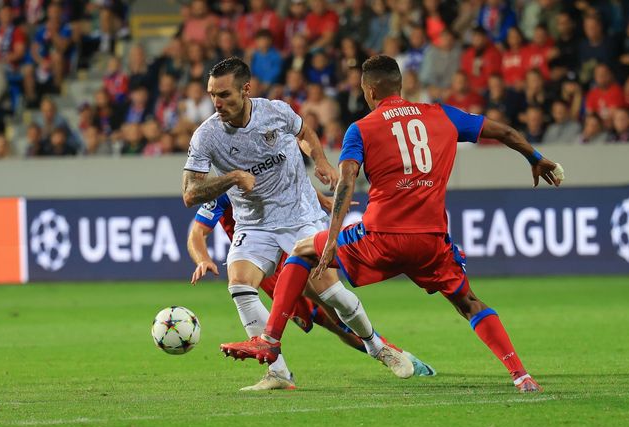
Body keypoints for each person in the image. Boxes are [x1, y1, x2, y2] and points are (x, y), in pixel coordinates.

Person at [220, 55, 566, 393]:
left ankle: (269, 341)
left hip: (380, 238)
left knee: (301, 251)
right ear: (399, 85)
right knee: (470, 303)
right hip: (431, 241)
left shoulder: (362, 129)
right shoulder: (441, 115)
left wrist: (332, 238)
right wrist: (535, 158)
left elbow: (346, 182)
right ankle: (521, 375)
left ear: (369, 91)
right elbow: (502, 130)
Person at [182, 57, 417, 390]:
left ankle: (377, 347)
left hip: (300, 216)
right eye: (212, 95)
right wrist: (232, 178)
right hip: (256, 222)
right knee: (239, 284)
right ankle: (277, 372)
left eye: (224, 95)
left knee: (333, 295)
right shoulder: (207, 136)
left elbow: (304, 131)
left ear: (246, 89)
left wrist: (320, 160)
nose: (217, 103)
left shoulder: (275, 111)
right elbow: (190, 192)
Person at [187, 192, 436, 391]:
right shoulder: (223, 187)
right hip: (263, 265)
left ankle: (391, 352)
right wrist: (202, 259)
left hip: (292, 246)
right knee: (324, 320)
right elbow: (197, 232)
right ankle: (277, 372)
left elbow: (291, 178)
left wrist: (323, 200)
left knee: (335, 313)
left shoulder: (263, 157)